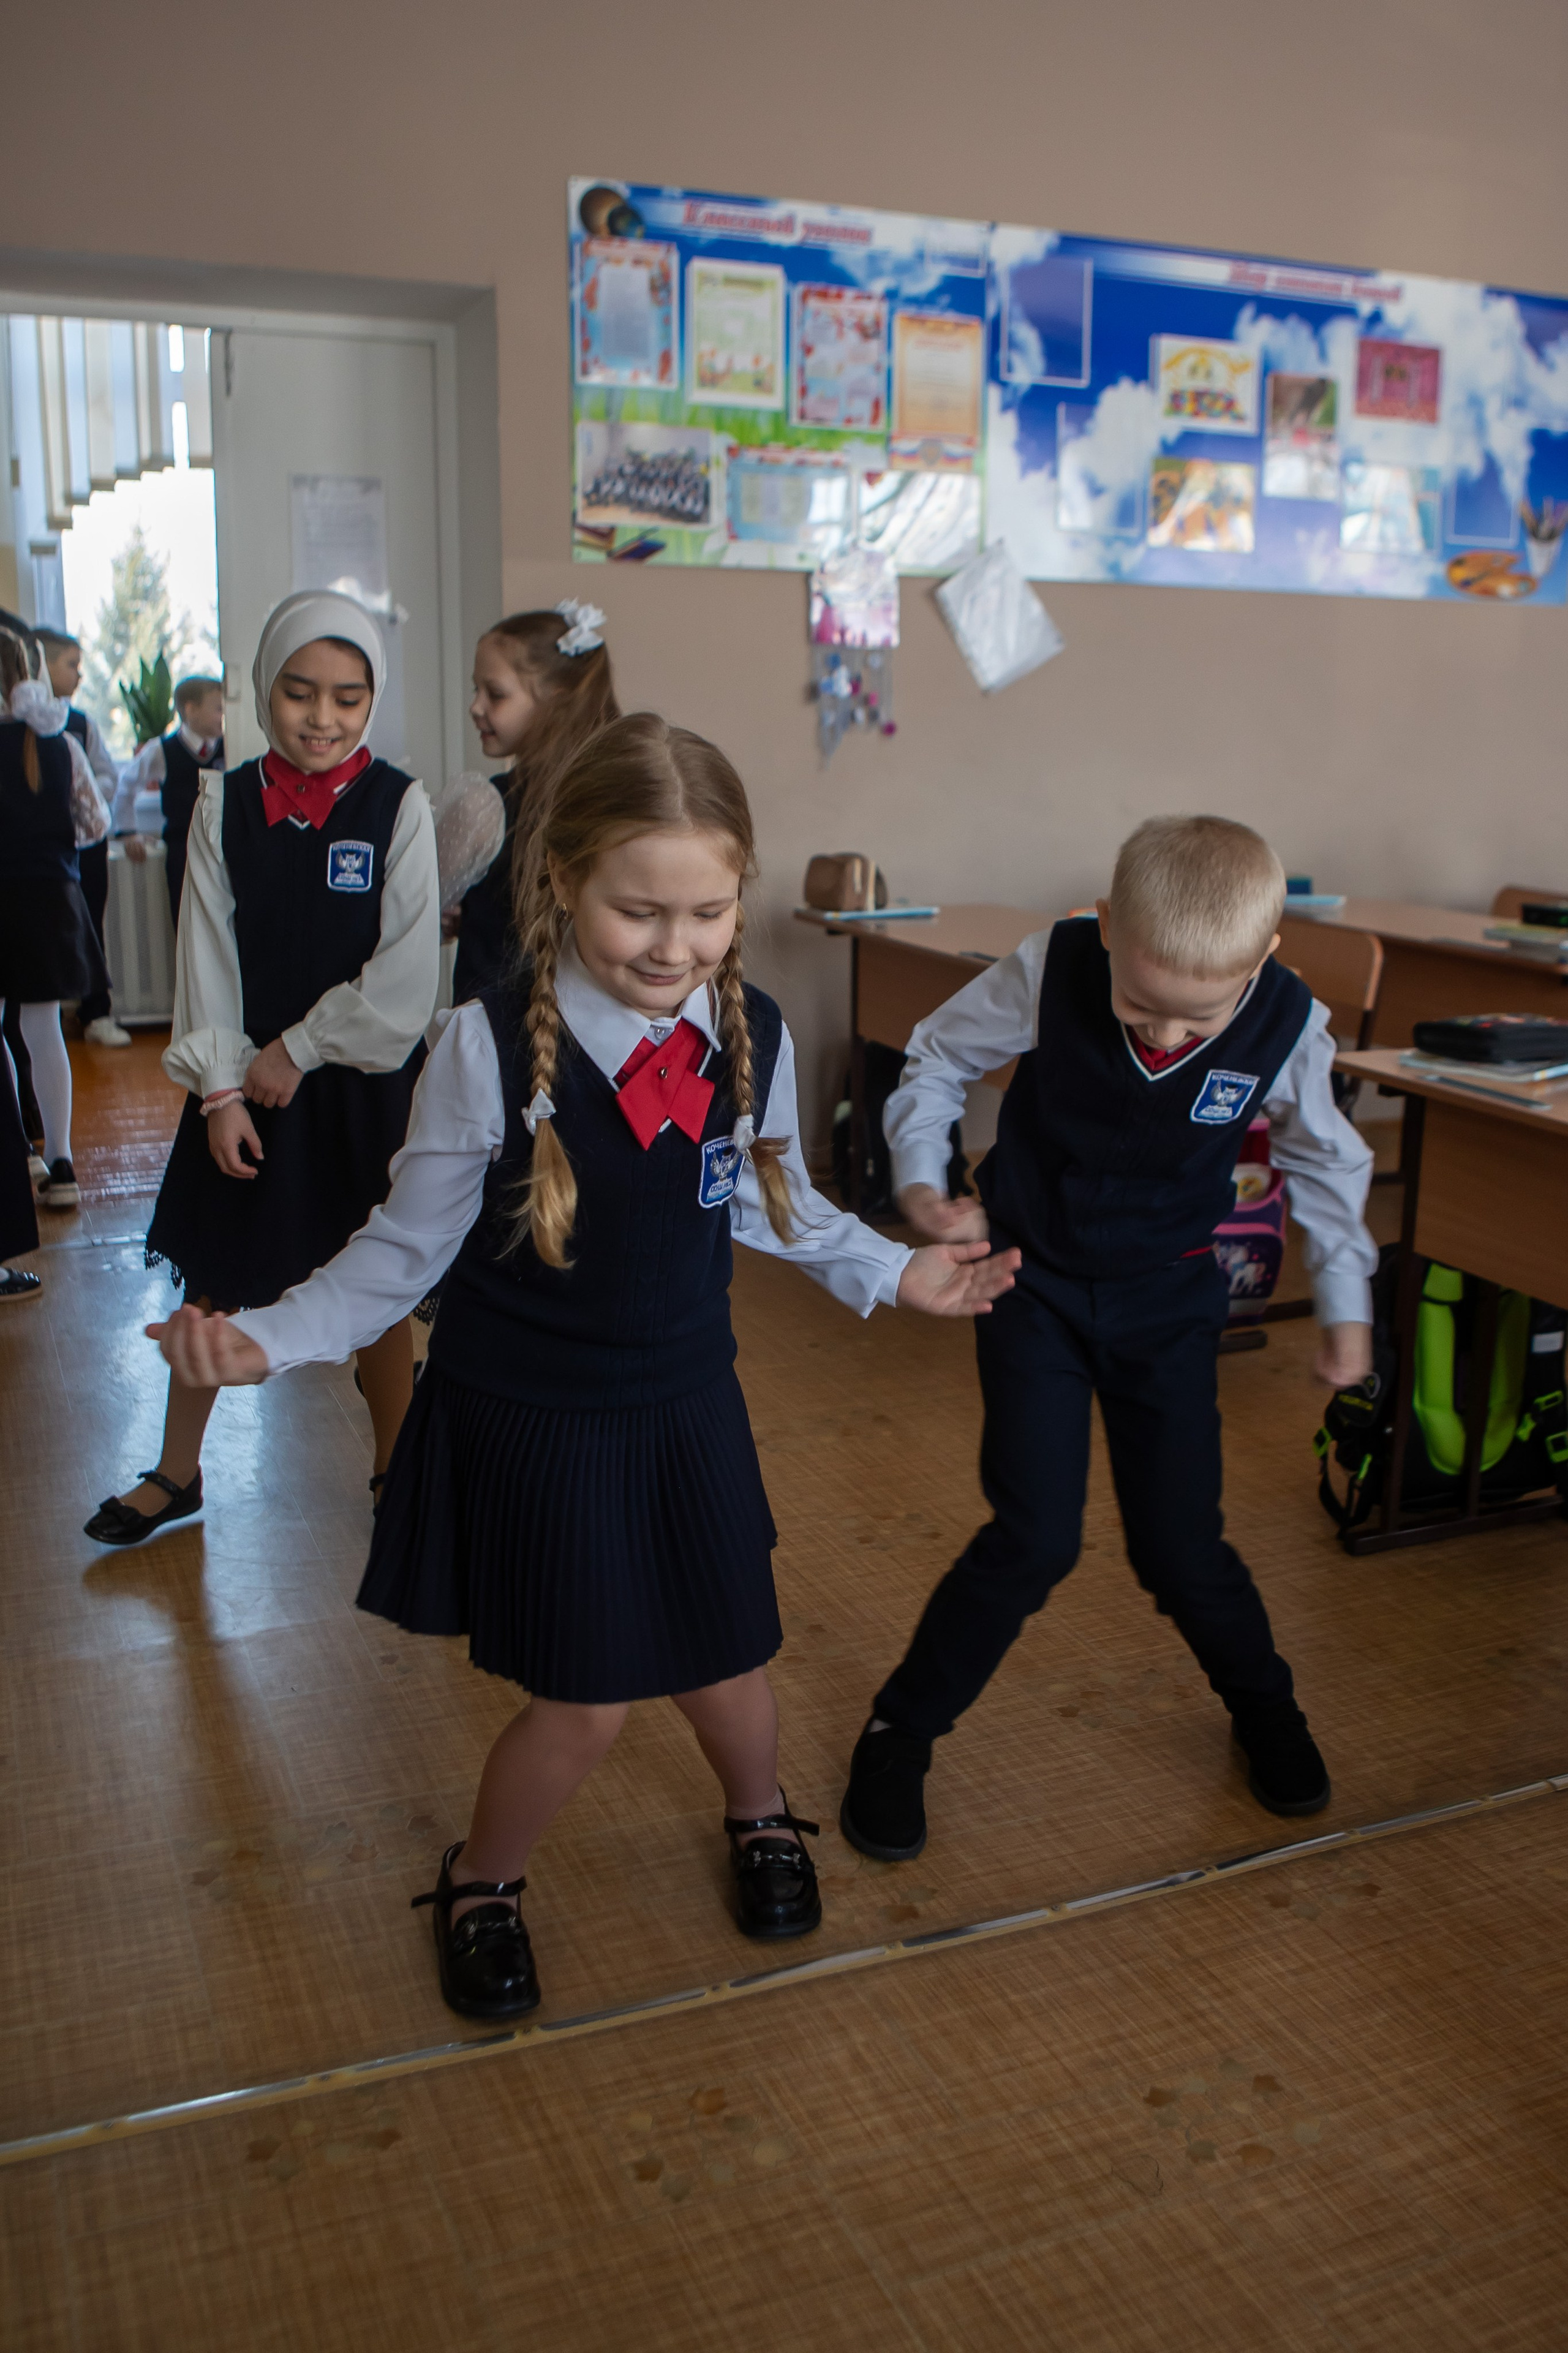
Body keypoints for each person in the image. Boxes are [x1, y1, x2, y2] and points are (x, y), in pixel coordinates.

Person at [150, 712, 1019, 2020]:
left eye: (708, 911)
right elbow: (397, 1257)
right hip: (536, 1416)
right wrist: (266, 1337)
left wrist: (900, 1270)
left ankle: (760, 1814)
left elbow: (766, 1204)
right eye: (638, 912)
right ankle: (482, 1879)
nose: (675, 947)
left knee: (726, 1663)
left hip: (681, 1402)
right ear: (560, 883)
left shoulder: (754, 1035)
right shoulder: (483, 1049)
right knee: (589, 1701)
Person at [839, 815, 1378, 1864]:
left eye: (1197, 1018)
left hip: (1169, 1299)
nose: (1165, 1039)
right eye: (1141, 1005)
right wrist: (923, 1179)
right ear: (1106, 925)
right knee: (1034, 1539)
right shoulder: (1056, 963)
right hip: (1030, 1284)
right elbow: (940, 1054)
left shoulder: (1287, 1020)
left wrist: (1348, 1305)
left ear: (1263, 961)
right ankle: (901, 1730)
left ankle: (1265, 1707)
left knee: (1182, 1549)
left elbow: (1326, 1163)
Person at [85, 593, 440, 1547]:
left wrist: (303, 1048)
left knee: (376, 1294)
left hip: (357, 1095)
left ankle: (393, 1469)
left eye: (349, 699)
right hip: (241, 1096)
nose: (323, 718)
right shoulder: (222, 803)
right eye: (299, 694)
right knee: (213, 1275)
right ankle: (177, 1471)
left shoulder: (400, 806)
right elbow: (207, 956)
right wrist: (224, 1088)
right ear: (261, 690)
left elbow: (406, 982)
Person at [450, 601, 618, 1002]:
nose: (476, 707)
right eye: (477, 690)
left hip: (495, 1030)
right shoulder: (611, 787)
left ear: (555, 704)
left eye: (496, 694)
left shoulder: (489, 804)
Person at [0, 627, 110, 1212]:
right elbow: (96, 826)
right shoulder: (59, 742)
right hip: (49, 898)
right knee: (44, 1032)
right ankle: (62, 1160)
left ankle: (18, 1148)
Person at [36, 627, 127, 1046]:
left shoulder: (80, 724)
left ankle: (96, 1012)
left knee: (90, 926)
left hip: (83, 847)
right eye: (71, 665)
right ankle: (42, 1017)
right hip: (38, 851)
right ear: (41, 665)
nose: (79, 675)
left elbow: (107, 775)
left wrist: (86, 801)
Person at [114, 673, 225, 927]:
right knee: (187, 922)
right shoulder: (161, 751)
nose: (224, 715)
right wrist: (129, 832)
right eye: (218, 708)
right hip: (182, 850)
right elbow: (126, 786)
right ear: (190, 710)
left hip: (222, 847)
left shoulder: (230, 747)